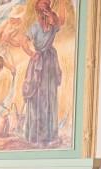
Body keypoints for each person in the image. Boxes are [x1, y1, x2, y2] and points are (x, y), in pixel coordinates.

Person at [22, 0, 62, 147]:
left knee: (50, 97)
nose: (43, 13)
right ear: (37, 12)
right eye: (41, 10)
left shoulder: (53, 25)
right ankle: (36, 136)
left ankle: (49, 135)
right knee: (37, 98)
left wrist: (53, 13)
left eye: (46, 9)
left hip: (50, 64)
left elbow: (59, 22)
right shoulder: (34, 27)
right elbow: (23, 41)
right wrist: (31, 54)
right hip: (38, 64)